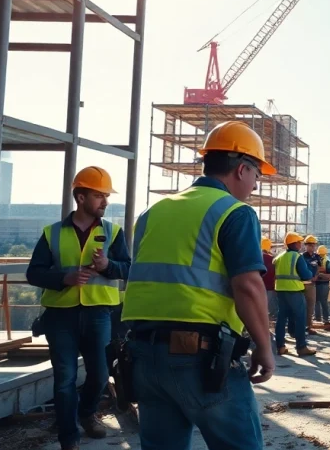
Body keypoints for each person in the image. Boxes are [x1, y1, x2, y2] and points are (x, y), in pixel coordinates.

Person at [123, 120, 275, 449]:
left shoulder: (153, 212)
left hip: (144, 357)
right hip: (199, 359)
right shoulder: (235, 212)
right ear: (241, 169)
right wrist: (264, 347)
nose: (256, 184)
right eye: (257, 174)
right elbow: (248, 287)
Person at [26, 166, 130, 450]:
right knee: (65, 378)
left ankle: (86, 413)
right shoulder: (52, 233)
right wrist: (64, 278)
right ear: (81, 197)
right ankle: (68, 437)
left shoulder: (113, 232)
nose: (105, 201)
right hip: (60, 315)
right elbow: (33, 273)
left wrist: (108, 266)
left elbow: (128, 268)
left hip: (99, 313)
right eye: (99, 195)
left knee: (99, 375)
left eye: (106, 196)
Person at [273, 232, 316, 356]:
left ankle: (280, 346)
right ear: (295, 243)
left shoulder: (279, 257)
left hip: (280, 290)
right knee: (300, 318)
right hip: (294, 291)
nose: (301, 244)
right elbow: (306, 275)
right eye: (299, 242)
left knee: (281, 318)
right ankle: (301, 347)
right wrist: (311, 272)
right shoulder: (297, 257)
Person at [302, 234, 320, 336]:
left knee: (310, 307)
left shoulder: (317, 257)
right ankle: (300, 327)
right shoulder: (301, 257)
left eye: (313, 245)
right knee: (301, 307)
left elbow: (319, 268)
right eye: (309, 245)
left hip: (312, 284)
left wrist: (316, 276)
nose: (311, 247)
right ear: (305, 245)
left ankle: (308, 326)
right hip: (301, 284)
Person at [313, 245, 330, 326]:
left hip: (323, 284)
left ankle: (325, 318)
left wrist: (322, 275)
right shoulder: (315, 262)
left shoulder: (327, 263)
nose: (321, 256)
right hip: (316, 284)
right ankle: (318, 318)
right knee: (316, 301)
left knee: (323, 302)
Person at [261, 238, 277, 319]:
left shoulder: (256, 258)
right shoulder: (272, 259)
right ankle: (272, 317)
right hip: (270, 286)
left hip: (259, 286)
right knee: (271, 305)